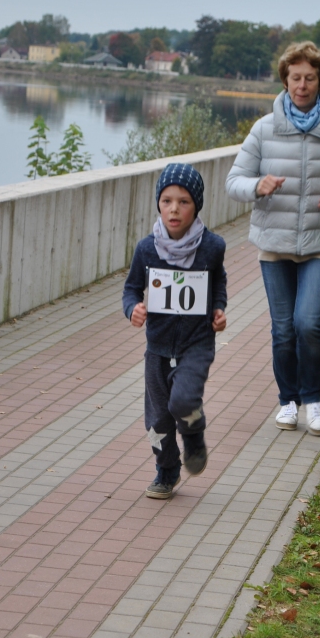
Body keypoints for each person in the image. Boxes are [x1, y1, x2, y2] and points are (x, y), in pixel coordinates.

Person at [225, 40, 320, 435]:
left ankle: (313, 400)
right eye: (295, 77)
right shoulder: (264, 129)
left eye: (309, 78)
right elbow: (233, 181)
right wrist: (258, 186)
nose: (302, 85)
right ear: (285, 80)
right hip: (275, 244)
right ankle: (287, 401)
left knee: (308, 324)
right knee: (283, 328)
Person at [122, 163, 227, 499]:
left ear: (196, 205)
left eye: (183, 201)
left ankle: (194, 437)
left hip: (196, 343)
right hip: (157, 347)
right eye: (166, 200)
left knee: (183, 400)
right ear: (158, 204)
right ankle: (166, 473)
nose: (174, 209)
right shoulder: (147, 249)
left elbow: (217, 281)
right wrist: (133, 310)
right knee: (158, 420)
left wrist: (218, 309)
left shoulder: (211, 247)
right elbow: (130, 289)